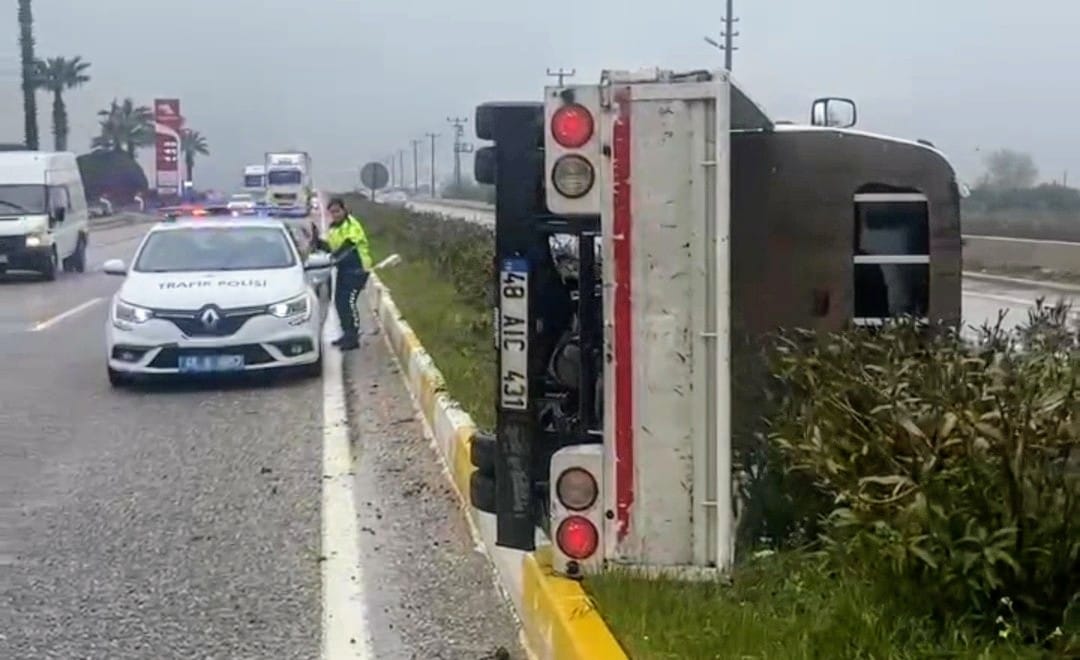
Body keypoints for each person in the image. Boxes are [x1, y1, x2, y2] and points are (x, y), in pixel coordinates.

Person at [311, 198, 373, 350]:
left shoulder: (351, 225)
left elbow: (348, 246)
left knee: (349, 303)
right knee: (339, 303)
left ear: (344, 210)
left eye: (338, 211)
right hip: (344, 270)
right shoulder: (334, 228)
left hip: (357, 269)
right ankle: (347, 333)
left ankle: (353, 337)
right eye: (332, 212)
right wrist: (318, 242)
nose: (335, 214)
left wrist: (334, 258)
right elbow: (332, 249)